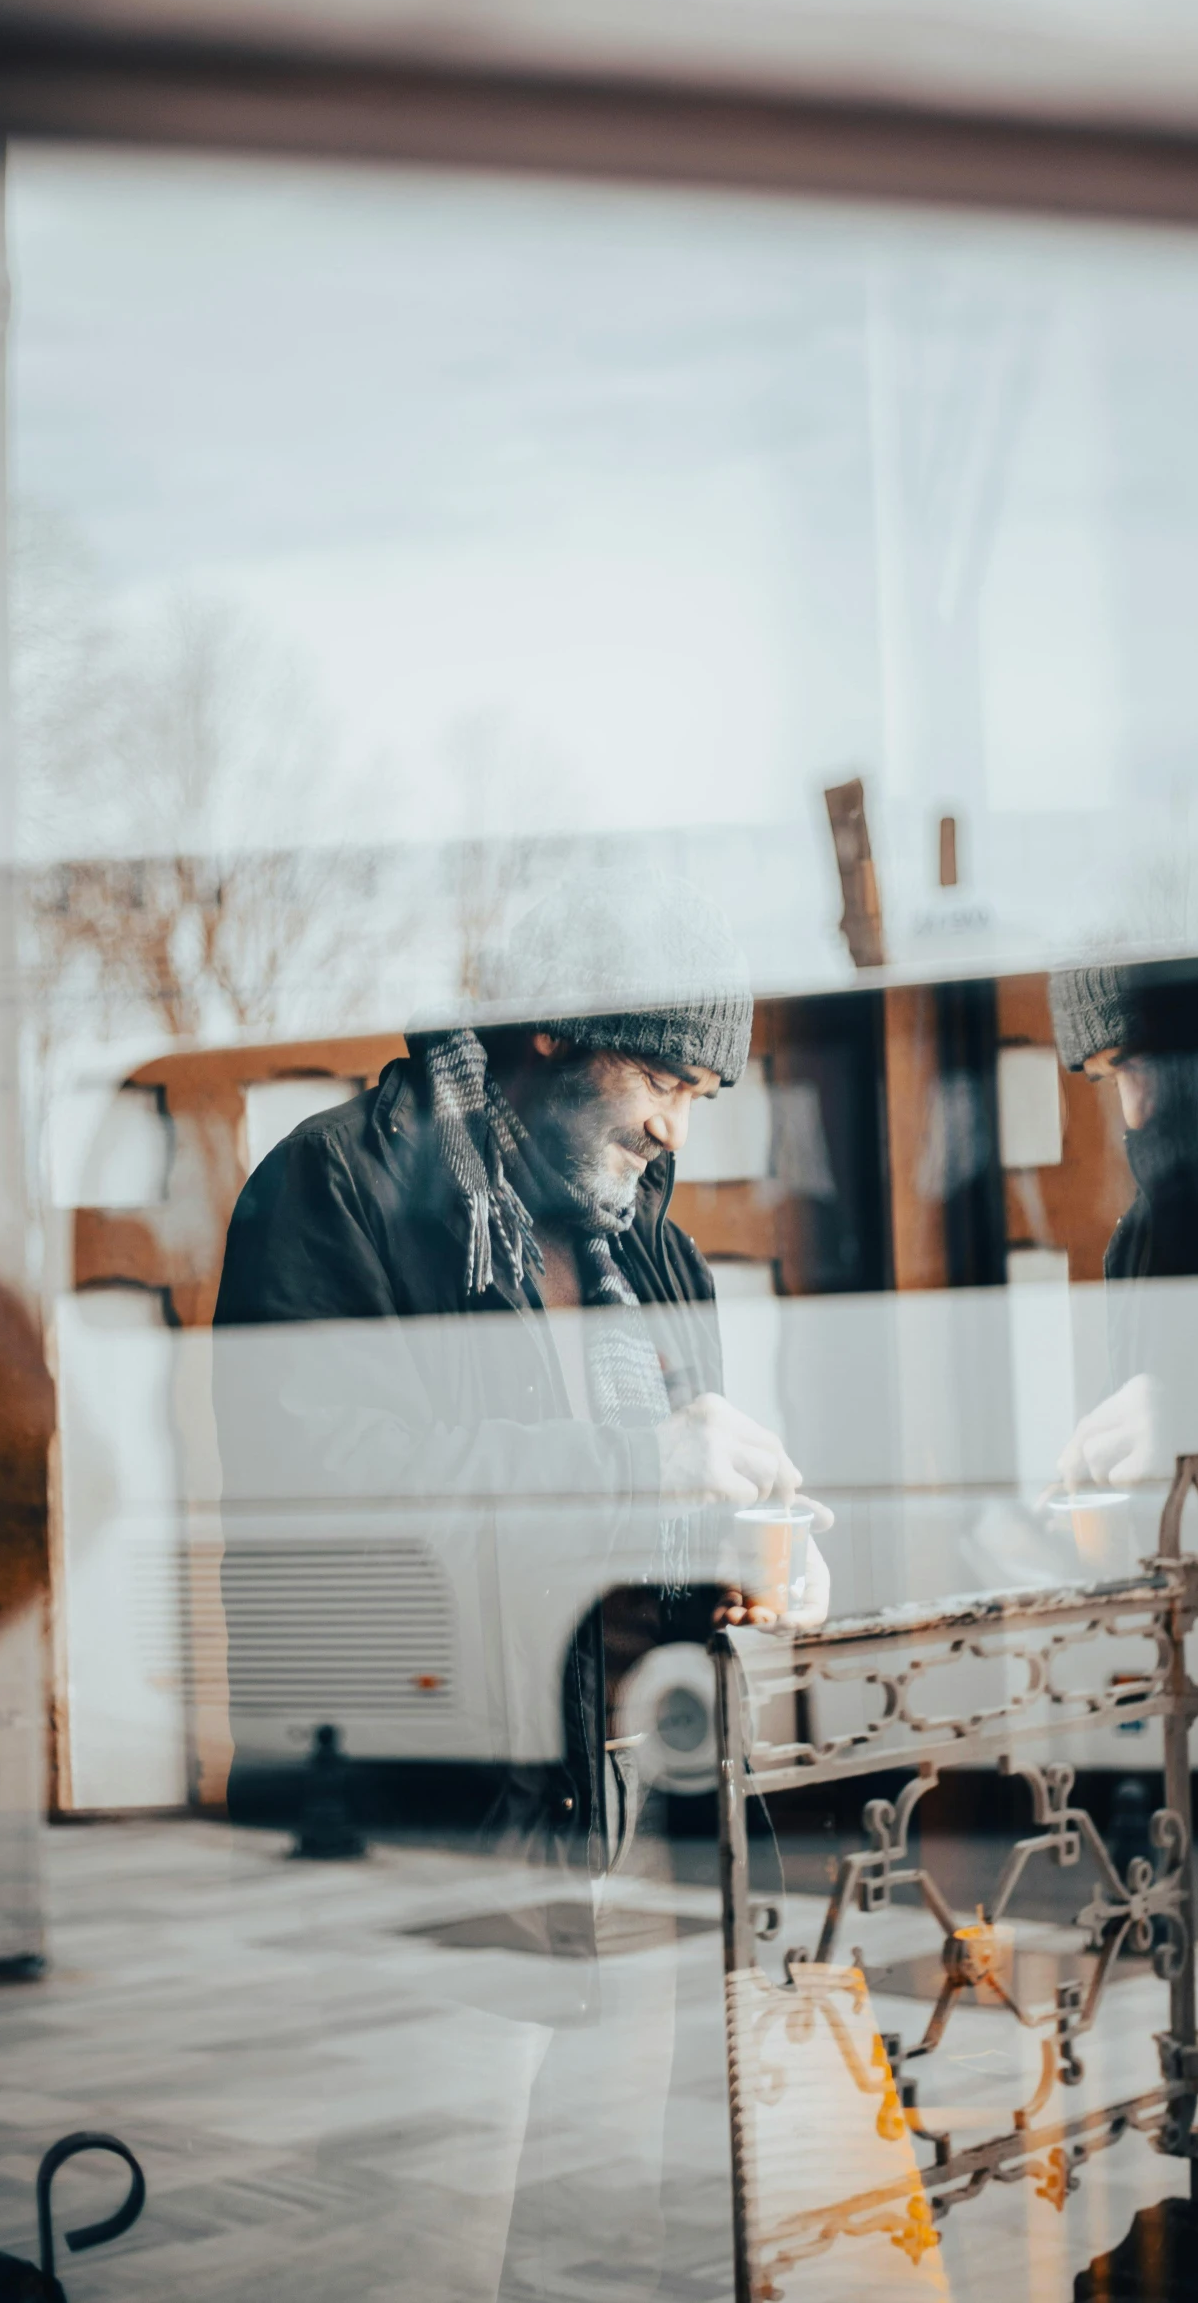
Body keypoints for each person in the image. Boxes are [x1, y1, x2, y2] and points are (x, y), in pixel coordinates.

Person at [212, 875, 828, 2299]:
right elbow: (326, 1496)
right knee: (413, 2264)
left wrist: (739, 1574)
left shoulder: (656, 1253)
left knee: (602, 2265)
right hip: (418, 1868)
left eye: (700, 1089)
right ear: (557, 1028)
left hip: (633, 1860)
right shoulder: (337, 1184)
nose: (677, 1123)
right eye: (661, 1073)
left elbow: (651, 1518)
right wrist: (636, 1469)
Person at [1047, 962, 1198, 1492]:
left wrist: (1186, 1416)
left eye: (1142, 1063)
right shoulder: (1135, 1240)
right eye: (1109, 1079)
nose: (1134, 1110)